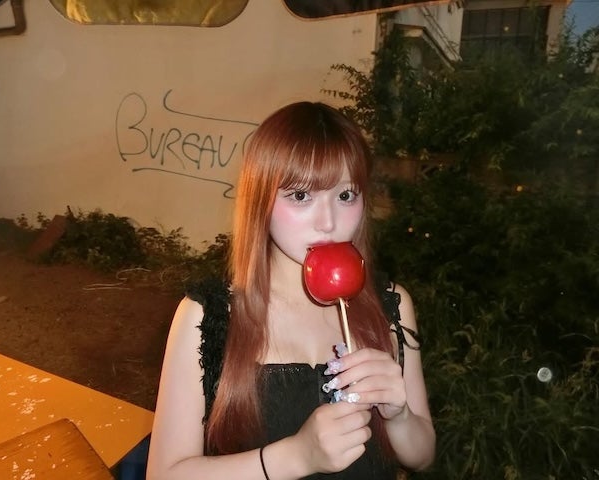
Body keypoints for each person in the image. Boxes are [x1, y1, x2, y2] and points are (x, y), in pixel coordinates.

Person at [146, 101, 435, 480]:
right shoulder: (208, 316)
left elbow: (422, 456)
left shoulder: (392, 305)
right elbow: (164, 474)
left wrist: (399, 416)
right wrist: (296, 457)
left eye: (345, 195)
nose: (328, 222)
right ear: (260, 202)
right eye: (301, 196)